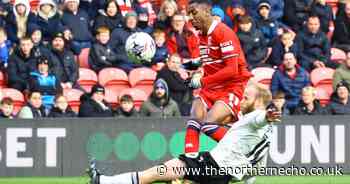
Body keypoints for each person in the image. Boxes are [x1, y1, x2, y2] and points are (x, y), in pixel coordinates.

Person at [87, 83, 282, 184]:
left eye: (246, 97)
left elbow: (259, 118)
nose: (241, 101)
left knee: (154, 173)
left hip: (209, 165)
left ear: (258, 102)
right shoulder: (268, 131)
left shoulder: (256, 117)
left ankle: (102, 181)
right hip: (221, 176)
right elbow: (258, 165)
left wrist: (267, 114)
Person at [183, 1, 251, 156]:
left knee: (208, 125)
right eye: (189, 14)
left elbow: (231, 70)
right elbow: (209, 59)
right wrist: (189, 66)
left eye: (195, 13)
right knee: (194, 122)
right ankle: (189, 169)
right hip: (211, 87)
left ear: (208, 13)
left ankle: (246, 152)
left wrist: (201, 81)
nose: (191, 18)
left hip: (231, 86)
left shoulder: (223, 32)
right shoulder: (200, 35)